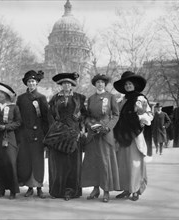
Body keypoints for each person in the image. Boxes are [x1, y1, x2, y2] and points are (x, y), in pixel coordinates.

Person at [45, 72, 87, 201]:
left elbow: (85, 114)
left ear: (72, 85)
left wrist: (80, 122)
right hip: (58, 133)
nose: (66, 85)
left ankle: (71, 191)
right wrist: (55, 127)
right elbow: (49, 115)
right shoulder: (55, 98)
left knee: (72, 163)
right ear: (61, 85)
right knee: (57, 162)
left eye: (68, 83)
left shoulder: (79, 98)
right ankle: (57, 190)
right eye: (64, 83)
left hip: (73, 132)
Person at [113, 71, 153, 201]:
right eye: (126, 84)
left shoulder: (140, 98)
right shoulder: (122, 100)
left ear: (135, 85)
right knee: (123, 163)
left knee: (135, 163)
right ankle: (127, 188)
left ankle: (136, 190)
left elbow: (148, 115)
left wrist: (141, 121)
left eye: (130, 84)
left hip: (134, 136)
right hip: (121, 135)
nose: (128, 86)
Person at [81, 74, 120, 203]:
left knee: (105, 161)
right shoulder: (91, 98)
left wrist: (108, 127)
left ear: (105, 84)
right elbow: (87, 116)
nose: (100, 84)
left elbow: (115, 115)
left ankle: (106, 190)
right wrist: (89, 125)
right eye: (97, 82)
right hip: (93, 133)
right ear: (94, 84)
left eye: (102, 82)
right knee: (93, 161)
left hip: (105, 133)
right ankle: (95, 188)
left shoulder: (111, 97)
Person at [16, 70, 50, 198]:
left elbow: (46, 118)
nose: (31, 84)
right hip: (25, 134)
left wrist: (46, 135)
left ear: (37, 83)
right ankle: (30, 187)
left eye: (33, 82)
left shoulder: (41, 98)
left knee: (38, 160)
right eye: (29, 82)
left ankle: (39, 187)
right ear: (26, 83)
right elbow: (18, 117)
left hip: (38, 134)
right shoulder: (21, 98)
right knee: (27, 160)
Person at [0, 82, 21, 200]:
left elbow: (18, 122)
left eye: (1, 93)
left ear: (6, 94)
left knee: (10, 163)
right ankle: (0, 189)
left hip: (9, 138)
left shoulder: (14, 107)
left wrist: (6, 127)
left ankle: (12, 190)